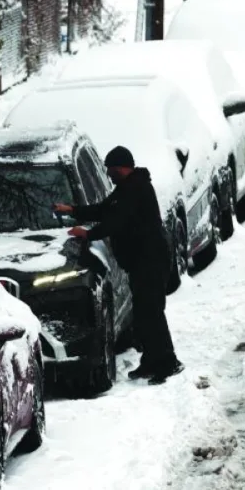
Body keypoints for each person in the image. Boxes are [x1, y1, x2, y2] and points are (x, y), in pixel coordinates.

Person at [53, 146, 184, 385]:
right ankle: (151, 360)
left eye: (111, 170)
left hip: (151, 261)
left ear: (122, 167)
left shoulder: (137, 189)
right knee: (143, 314)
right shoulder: (126, 188)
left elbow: (116, 221)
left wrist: (88, 234)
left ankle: (167, 362)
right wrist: (72, 210)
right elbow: (104, 209)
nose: (109, 174)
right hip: (140, 262)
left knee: (152, 313)